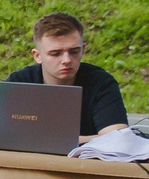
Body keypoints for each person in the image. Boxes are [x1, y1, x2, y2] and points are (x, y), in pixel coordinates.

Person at [8, 11, 129, 139]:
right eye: (56, 53)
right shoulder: (18, 83)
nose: (67, 60)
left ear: (83, 49)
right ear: (37, 56)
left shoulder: (100, 83)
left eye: (74, 52)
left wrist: (48, 140)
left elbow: (118, 138)